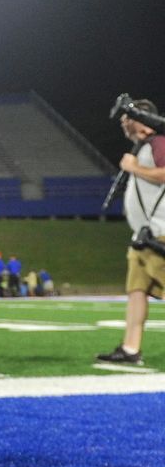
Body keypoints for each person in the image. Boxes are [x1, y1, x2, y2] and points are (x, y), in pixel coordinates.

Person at [98, 99, 165, 366]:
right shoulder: (144, 147)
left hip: (160, 233)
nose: (124, 122)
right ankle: (130, 348)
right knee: (136, 292)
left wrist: (134, 168)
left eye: (129, 117)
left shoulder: (159, 143)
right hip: (143, 237)